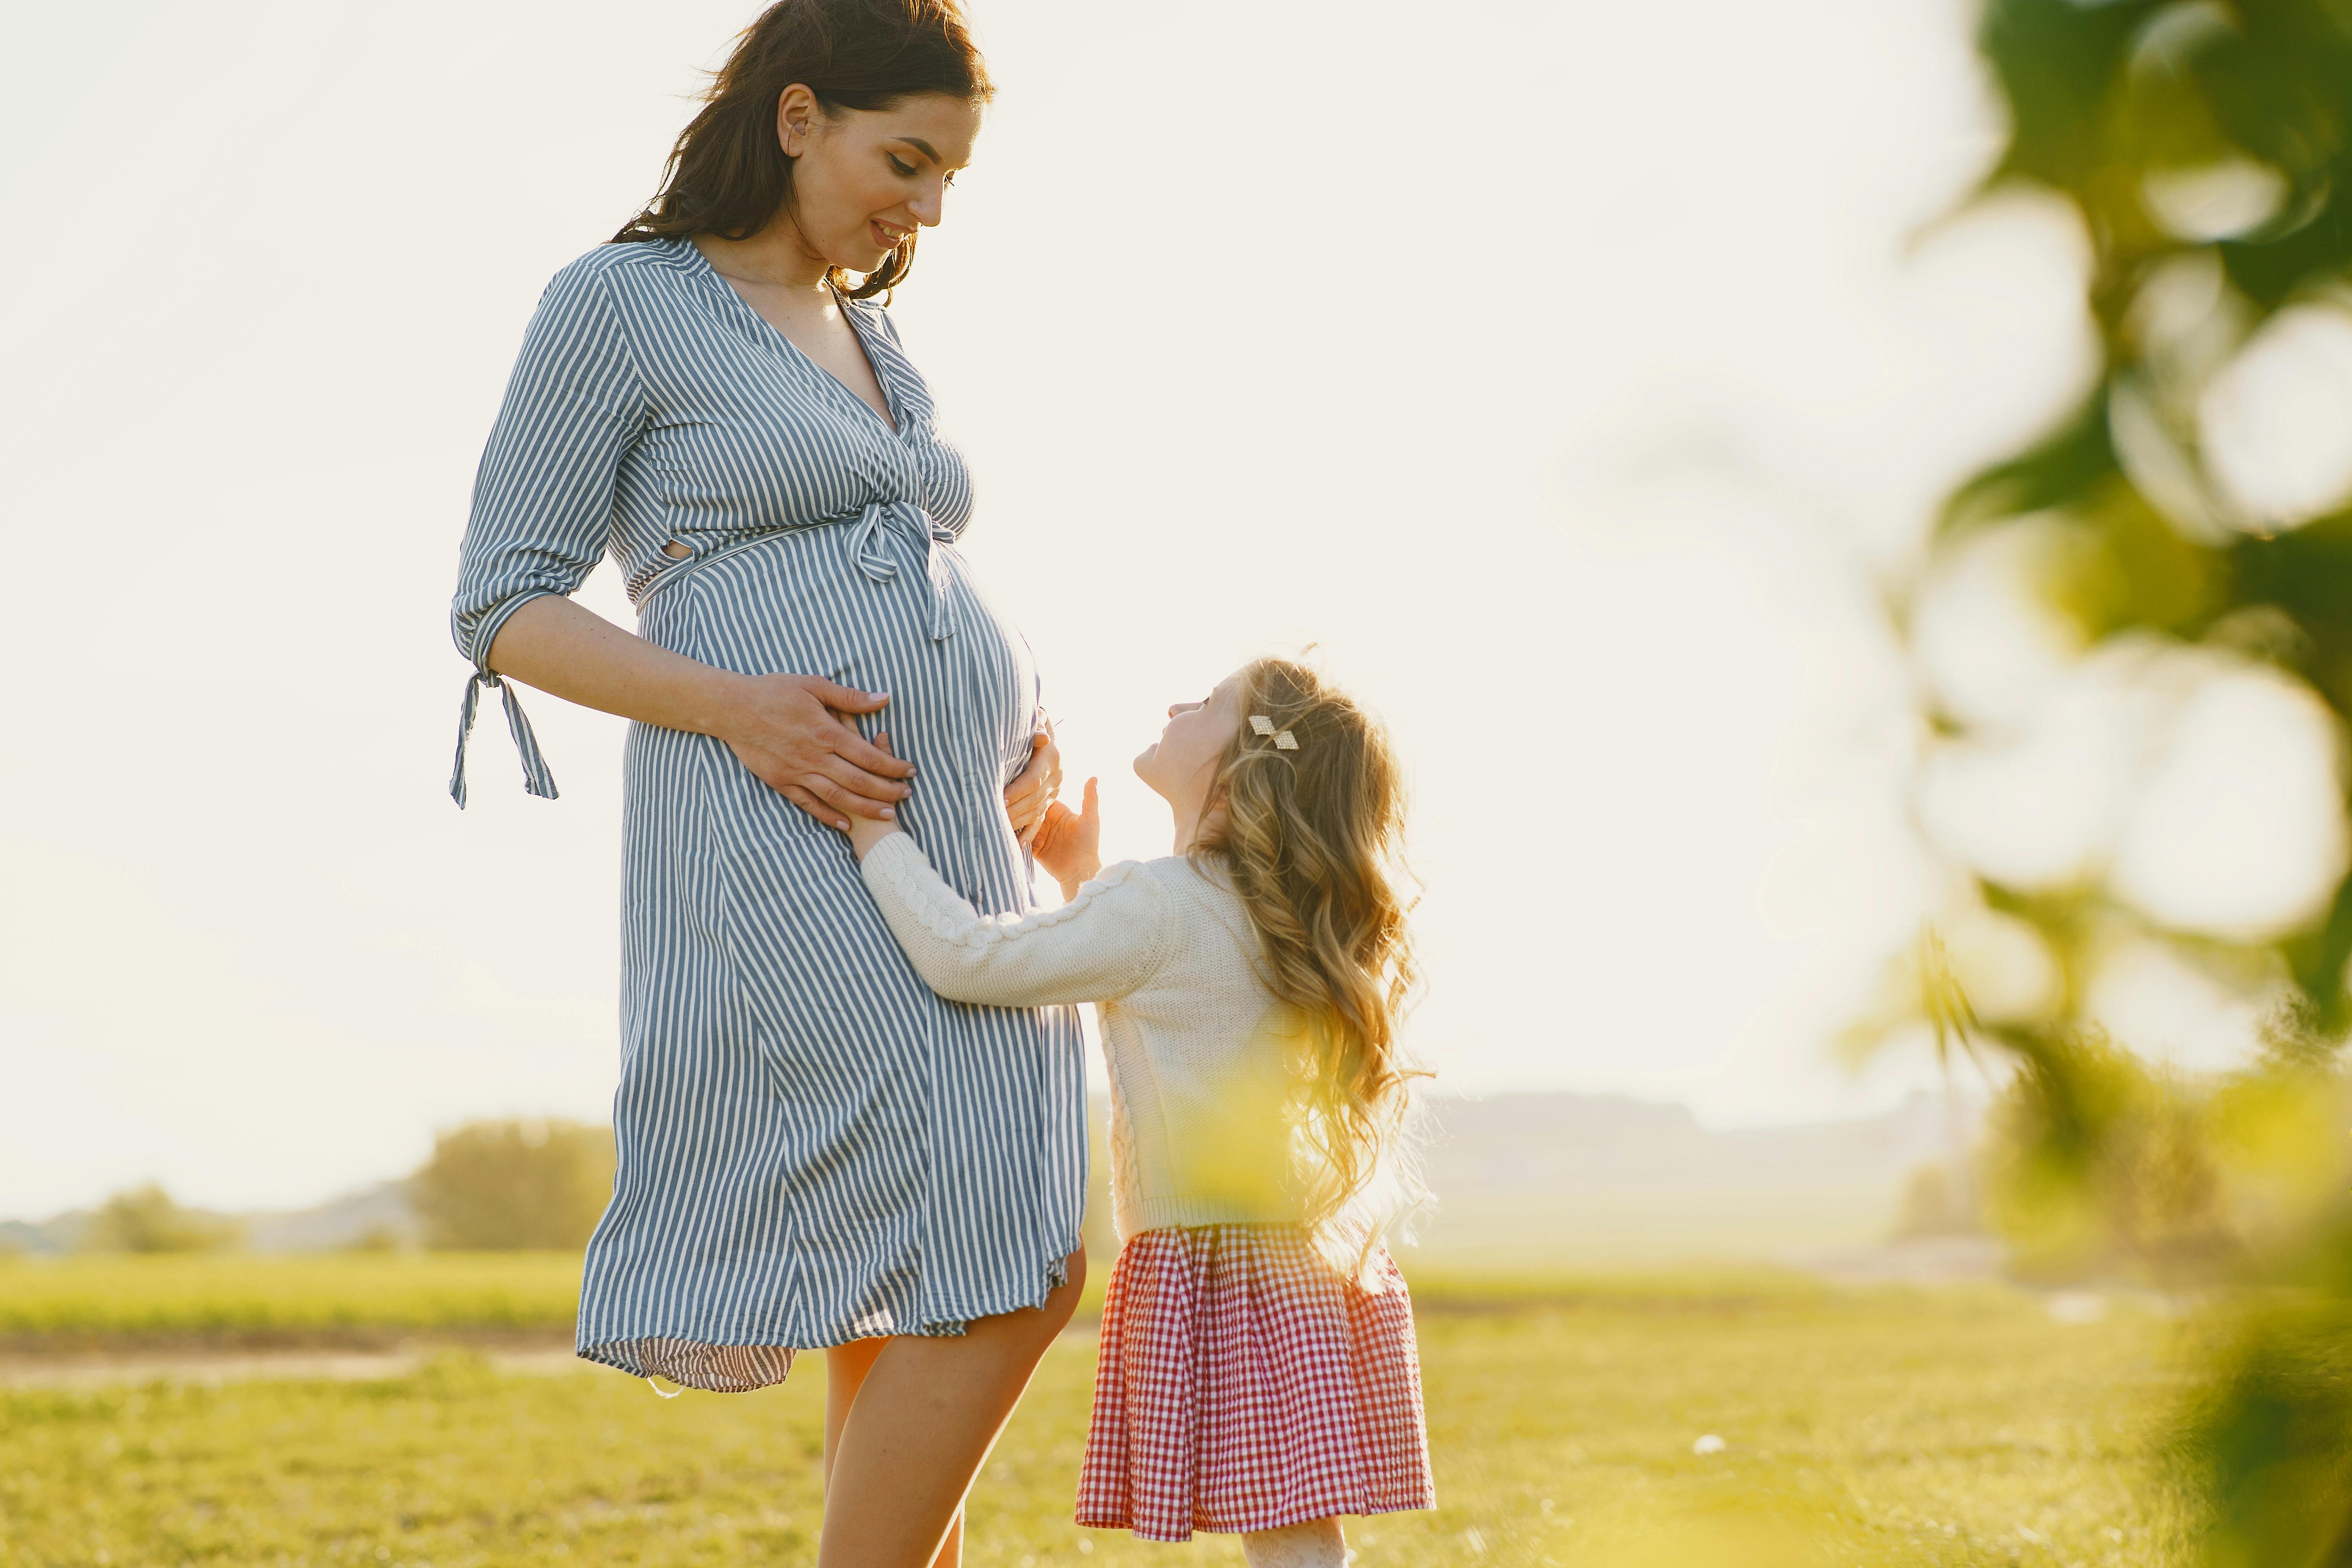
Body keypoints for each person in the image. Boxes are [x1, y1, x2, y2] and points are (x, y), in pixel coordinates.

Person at [445, 4, 1080, 1564]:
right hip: (782, 830)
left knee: (930, 1249)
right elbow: (501, 605)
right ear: (797, 116)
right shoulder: (623, 302)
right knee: (1021, 1249)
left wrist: (1027, 726)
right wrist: (744, 713)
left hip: (948, 847)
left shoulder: (870, 335)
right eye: (905, 159)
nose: (925, 210)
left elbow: (916, 570)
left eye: (949, 180)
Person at [838, 657, 1437, 1568]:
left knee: (1293, 1541)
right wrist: (1081, 872)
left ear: (1242, 763)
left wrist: (872, 825)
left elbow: (965, 958)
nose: (1175, 702)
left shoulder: (1159, 903)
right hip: (1301, 1263)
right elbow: (1179, 988)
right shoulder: (1269, 909)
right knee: (1300, 1538)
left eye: (1207, 701)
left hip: (1217, 1262)